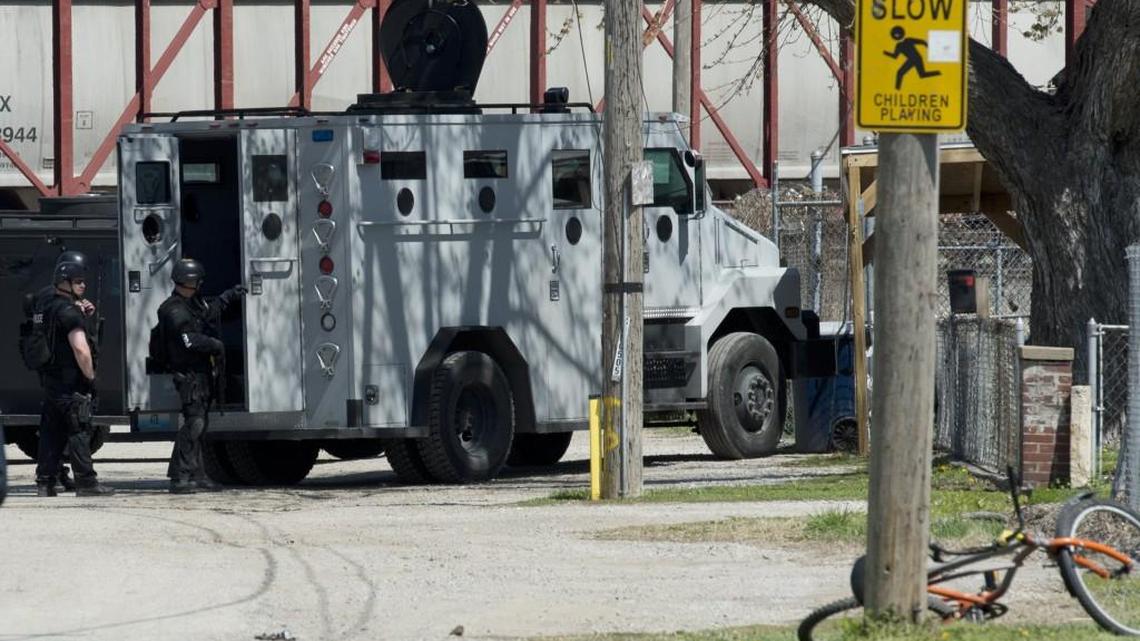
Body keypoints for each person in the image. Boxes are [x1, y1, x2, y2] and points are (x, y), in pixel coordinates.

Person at [157, 258, 245, 494]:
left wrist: (228, 297)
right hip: (188, 375)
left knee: (200, 424)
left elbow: (207, 313)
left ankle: (197, 474)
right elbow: (188, 340)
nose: (200, 285)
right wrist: (214, 344)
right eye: (198, 281)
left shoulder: (189, 304)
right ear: (190, 281)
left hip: (200, 374)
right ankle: (179, 476)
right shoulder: (174, 309)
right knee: (194, 424)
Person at [34, 251, 114, 497]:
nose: (83, 285)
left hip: (51, 380)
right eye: (78, 281)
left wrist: (83, 313)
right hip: (70, 382)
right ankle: (87, 482)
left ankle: (45, 482)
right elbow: (81, 349)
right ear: (65, 282)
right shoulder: (69, 312)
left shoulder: (47, 306)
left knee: (51, 431)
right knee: (79, 429)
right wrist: (90, 377)